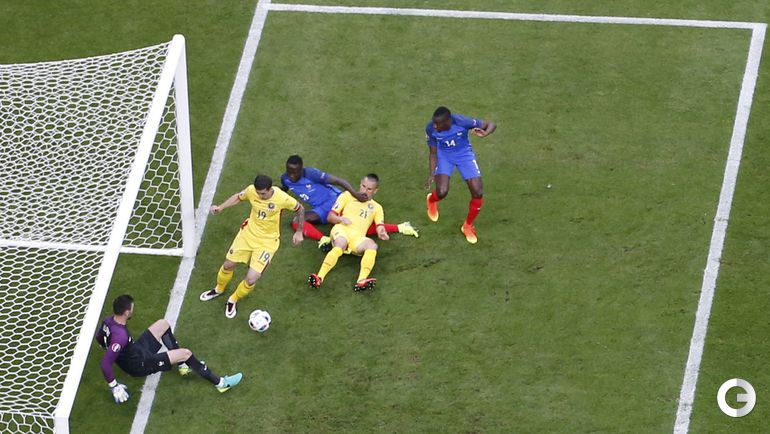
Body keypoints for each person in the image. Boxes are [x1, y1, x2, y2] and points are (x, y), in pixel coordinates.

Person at [95, 294, 242, 403]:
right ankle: (220, 383)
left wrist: (111, 350)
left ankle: (183, 366)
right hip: (139, 364)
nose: (133, 310)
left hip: (136, 350)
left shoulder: (108, 321)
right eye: (132, 309)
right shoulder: (120, 336)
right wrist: (114, 386)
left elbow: (99, 337)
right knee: (186, 353)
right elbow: (105, 363)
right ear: (126, 313)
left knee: (163, 324)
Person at [199, 174, 304, 318]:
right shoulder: (251, 191)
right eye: (258, 193)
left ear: (270, 189)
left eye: (263, 194)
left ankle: (233, 299)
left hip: (267, 242)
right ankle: (218, 289)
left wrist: (299, 231)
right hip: (247, 235)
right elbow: (238, 197)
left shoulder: (282, 198)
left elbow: (300, 209)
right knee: (228, 265)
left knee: (251, 279)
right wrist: (221, 207)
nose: (260, 196)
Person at [280, 155, 418, 251]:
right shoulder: (285, 179)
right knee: (297, 221)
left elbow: (339, 181)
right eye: (289, 171)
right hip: (320, 209)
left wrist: (354, 194)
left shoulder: (311, 174)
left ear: (301, 169)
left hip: (334, 200)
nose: (292, 175)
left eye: (295, 172)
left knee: (357, 225)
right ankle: (324, 239)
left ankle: (400, 227)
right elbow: (283, 191)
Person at [424, 106, 496, 244]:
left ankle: (467, 226)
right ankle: (431, 200)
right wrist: (431, 174)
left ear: (447, 122)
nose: (434, 126)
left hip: (464, 155)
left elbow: (491, 124)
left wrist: (485, 133)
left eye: (437, 124)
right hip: (445, 157)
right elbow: (433, 152)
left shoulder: (462, 122)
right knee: (442, 191)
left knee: (478, 192)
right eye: (434, 123)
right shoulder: (430, 128)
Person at [308, 174, 388, 292]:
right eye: (363, 186)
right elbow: (330, 217)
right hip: (342, 230)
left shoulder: (377, 208)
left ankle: (361, 281)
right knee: (341, 244)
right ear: (360, 184)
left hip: (358, 238)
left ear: (375, 191)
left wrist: (382, 232)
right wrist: (341, 219)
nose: (364, 191)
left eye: (369, 189)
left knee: (372, 246)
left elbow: (380, 226)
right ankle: (319, 277)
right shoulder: (346, 196)